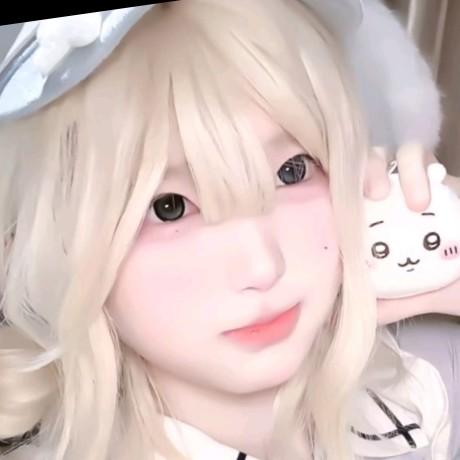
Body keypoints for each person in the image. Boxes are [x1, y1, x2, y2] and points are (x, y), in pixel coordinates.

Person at [0, 1, 457, 459]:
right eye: (169, 208)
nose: (263, 266)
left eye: (293, 170)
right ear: (57, 248)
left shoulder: (418, 393)